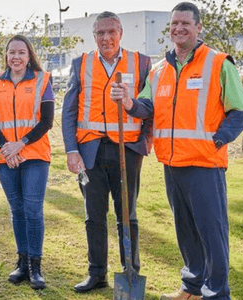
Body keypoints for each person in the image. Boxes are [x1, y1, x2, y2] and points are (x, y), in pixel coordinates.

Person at [111, 3, 243, 299]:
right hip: (172, 164)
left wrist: (217, 140)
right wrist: (128, 103)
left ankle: (217, 293)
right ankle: (192, 287)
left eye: (186, 23)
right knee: (185, 231)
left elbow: (240, 111)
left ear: (198, 28)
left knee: (212, 233)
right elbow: (146, 107)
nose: (179, 29)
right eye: (174, 24)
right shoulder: (159, 70)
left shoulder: (218, 63)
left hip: (204, 164)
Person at [61, 11, 152, 293]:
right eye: (100, 33)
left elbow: (150, 108)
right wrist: (71, 150)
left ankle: (130, 272)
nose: (106, 38)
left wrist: (145, 142)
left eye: (111, 31)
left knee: (127, 215)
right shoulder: (81, 64)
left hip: (127, 151)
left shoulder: (141, 62)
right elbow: (69, 111)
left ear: (121, 32)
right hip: (91, 152)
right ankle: (96, 273)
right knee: (93, 216)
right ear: (94, 36)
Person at [0, 35, 54, 290]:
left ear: (29, 55)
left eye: (21, 52)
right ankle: (22, 262)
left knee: (33, 210)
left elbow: (46, 121)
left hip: (34, 155)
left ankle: (36, 266)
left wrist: (20, 144)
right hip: (5, 157)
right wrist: (7, 149)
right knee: (17, 210)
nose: (16, 57)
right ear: (6, 55)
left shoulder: (42, 80)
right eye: (12, 52)